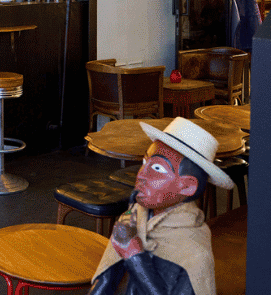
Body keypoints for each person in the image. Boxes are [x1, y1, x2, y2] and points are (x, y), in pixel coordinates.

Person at [90, 118, 235, 295]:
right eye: (145, 162)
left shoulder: (194, 254)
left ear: (187, 185)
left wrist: (134, 256)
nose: (142, 174)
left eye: (157, 168)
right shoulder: (134, 220)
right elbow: (105, 282)